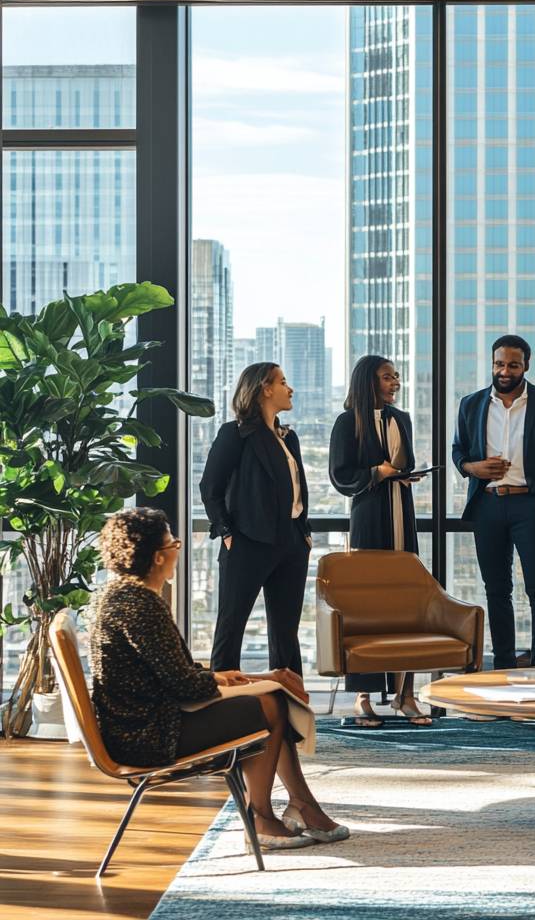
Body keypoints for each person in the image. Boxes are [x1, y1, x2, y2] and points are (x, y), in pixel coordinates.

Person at [90, 507, 348, 849]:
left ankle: (299, 805)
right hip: (148, 736)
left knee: (271, 696)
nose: (178, 549)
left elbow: (172, 673)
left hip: (141, 725)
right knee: (270, 705)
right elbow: (185, 686)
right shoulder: (140, 605)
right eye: (174, 543)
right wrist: (254, 682)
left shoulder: (122, 596)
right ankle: (263, 817)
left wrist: (243, 677)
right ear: (157, 557)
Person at [452, 334, 535, 669]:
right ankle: (503, 667)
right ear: (492, 364)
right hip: (487, 505)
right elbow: (458, 451)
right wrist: (473, 468)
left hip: (530, 506)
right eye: (499, 364)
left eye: (512, 365)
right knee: (496, 590)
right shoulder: (471, 404)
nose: (504, 371)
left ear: (526, 366)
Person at [329, 354, 430, 726]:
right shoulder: (347, 422)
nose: (396, 382)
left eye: (396, 376)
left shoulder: (401, 419)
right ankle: (363, 697)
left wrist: (405, 475)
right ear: (368, 381)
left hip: (402, 512)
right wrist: (377, 473)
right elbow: (340, 475)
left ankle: (406, 694)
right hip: (369, 516)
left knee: (407, 603)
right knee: (368, 606)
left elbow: (404, 463)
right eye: (388, 377)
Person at [200, 362, 312, 676]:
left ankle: (290, 700)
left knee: (286, 633)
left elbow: (297, 489)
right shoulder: (235, 433)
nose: (290, 389)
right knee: (231, 626)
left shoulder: (289, 437)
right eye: (283, 382)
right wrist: (226, 532)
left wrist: (303, 533)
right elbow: (210, 487)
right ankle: (224, 700)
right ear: (265, 389)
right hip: (247, 542)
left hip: (291, 542)